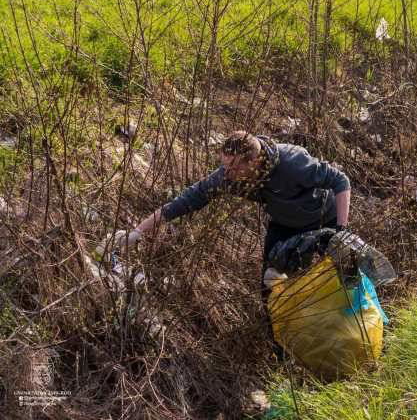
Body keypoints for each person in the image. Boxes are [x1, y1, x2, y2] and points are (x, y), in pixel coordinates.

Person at [97, 131, 351, 355]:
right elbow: (187, 200)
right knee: (271, 285)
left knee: (341, 274)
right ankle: (285, 349)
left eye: (234, 168)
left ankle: (354, 328)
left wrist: (339, 231)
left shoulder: (292, 162)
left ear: (255, 161)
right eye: (225, 167)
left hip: (322, 218)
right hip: (284, 224)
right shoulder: (230, 176)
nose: (228, 175)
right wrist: (137, 232)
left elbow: (341, 181)